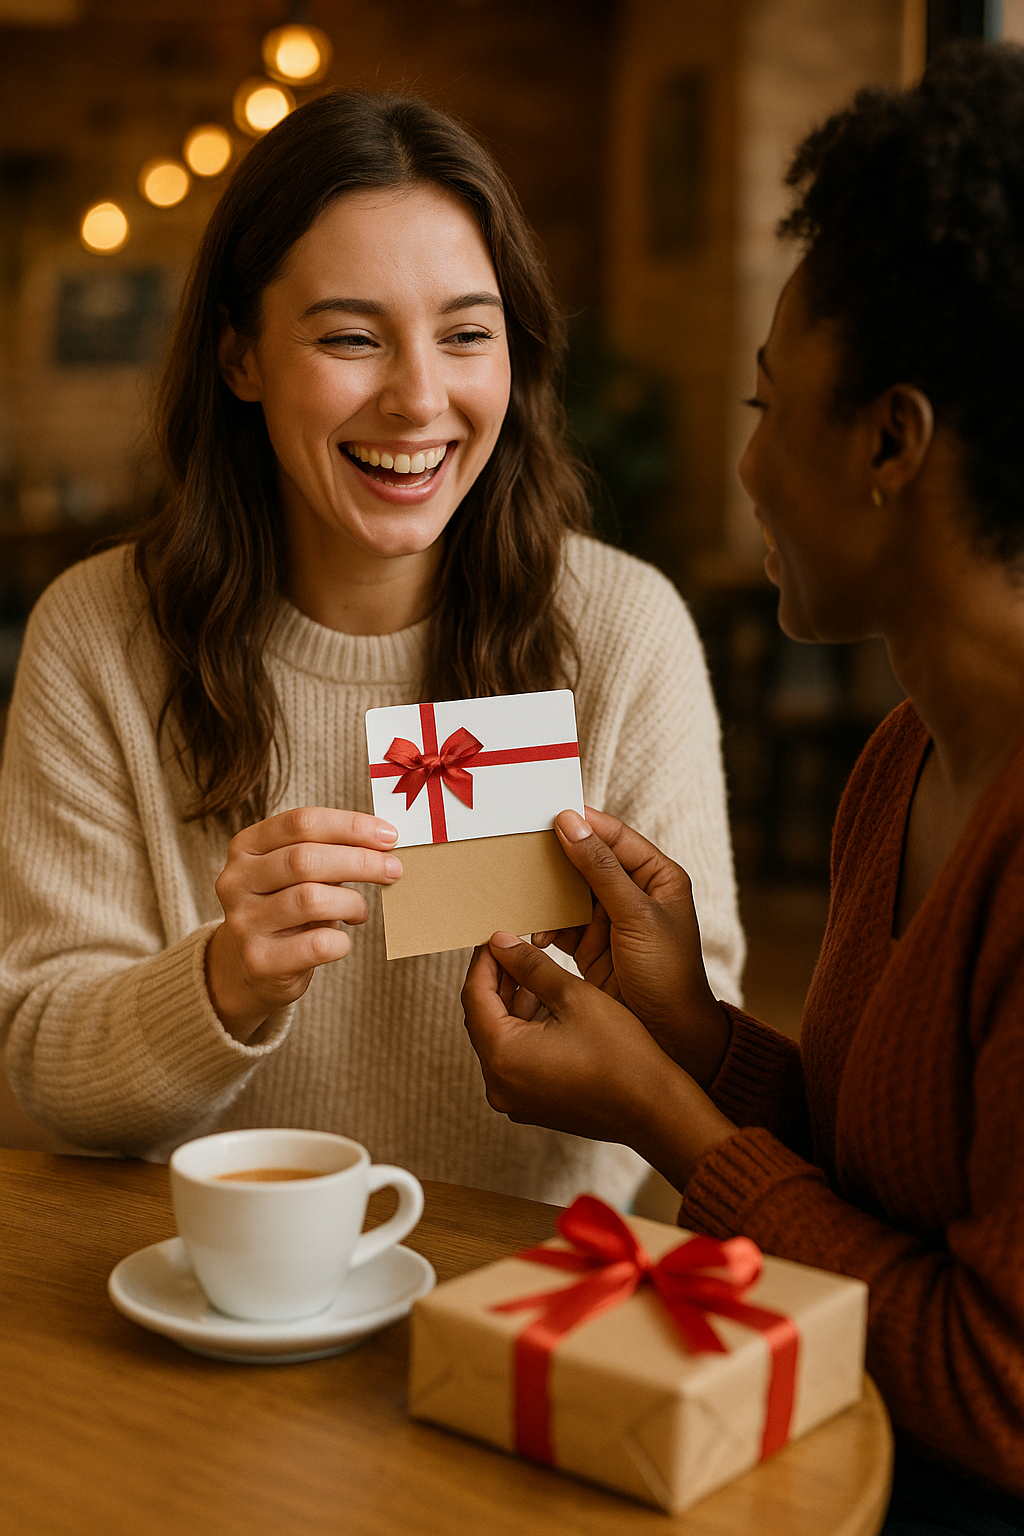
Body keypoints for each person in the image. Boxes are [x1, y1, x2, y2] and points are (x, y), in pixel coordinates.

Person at [462, 43, 1024, 1530]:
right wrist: (697, 1037)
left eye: (770, 409)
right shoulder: (899, 761)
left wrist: (658, 1115)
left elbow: (1000, 1392)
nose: (750, 471)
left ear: (893, 442)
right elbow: (883, 1176)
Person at [0, 90, 742, 1206]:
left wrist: (641, 1016)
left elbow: (706, 1068)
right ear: (240, 356)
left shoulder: (622, 633)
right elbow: (42, 1073)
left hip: (516, 1301)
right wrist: (220, 984)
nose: (417, 398)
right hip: (204, 1295)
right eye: (350, 337)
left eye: (466, 334)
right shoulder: (100, 634)